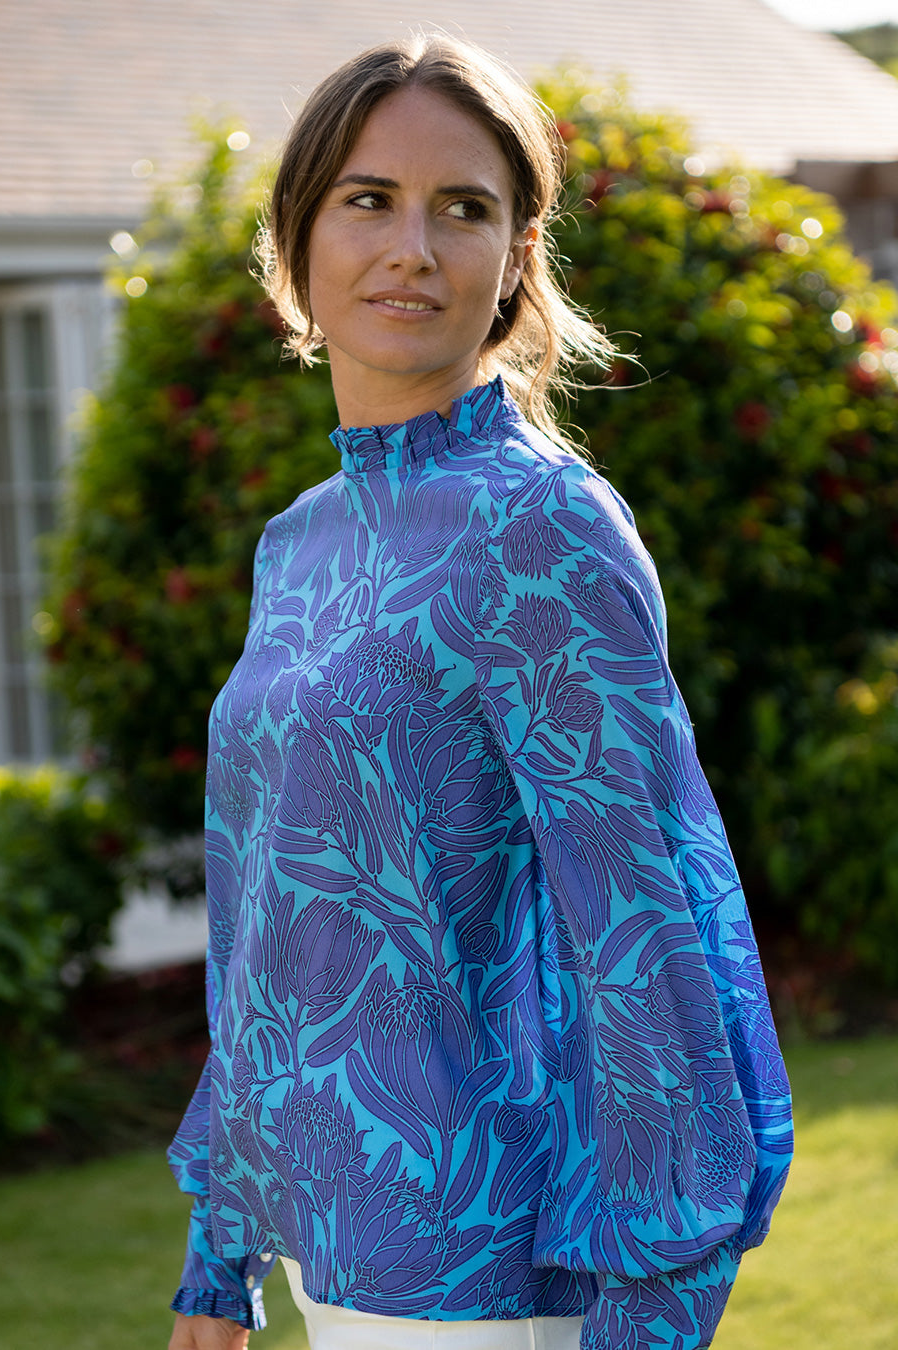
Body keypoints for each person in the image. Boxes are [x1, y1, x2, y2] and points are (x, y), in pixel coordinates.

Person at [166, 32, 793, 1350]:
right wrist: (217, 1256)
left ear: (516, 259)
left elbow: (648, 939)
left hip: (489, 1276)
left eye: (465, 209)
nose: (415, 247)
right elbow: (275, 912)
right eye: (368, 199)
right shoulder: (302, 539)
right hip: (331, 1249)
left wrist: (649, 1317)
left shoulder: (543, 531)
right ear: (296, 242)